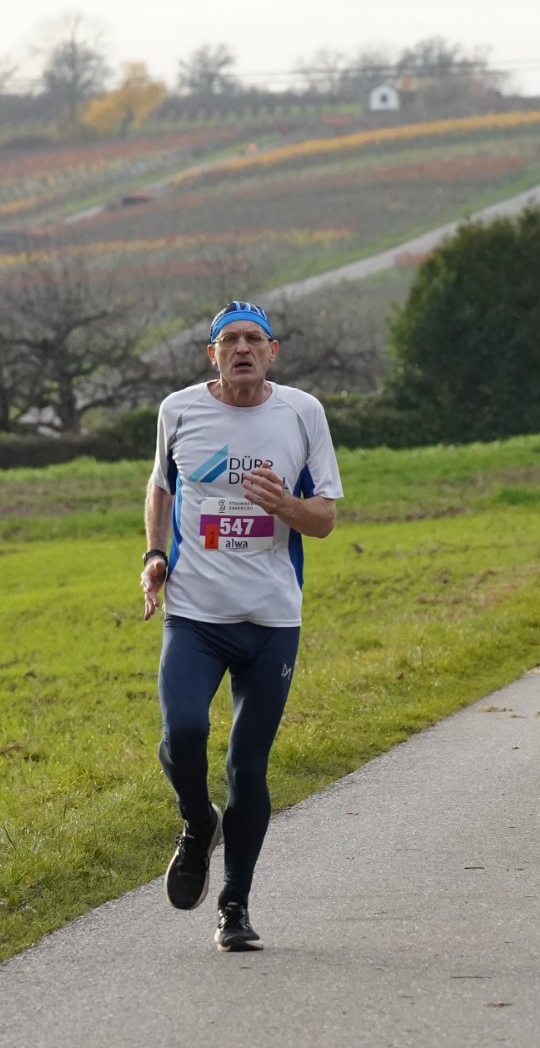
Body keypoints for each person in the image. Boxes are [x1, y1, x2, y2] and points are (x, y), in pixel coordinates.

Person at [141, 300, 343, 953]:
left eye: (254, 338)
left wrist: (285, 504)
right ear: (213, 353)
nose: (242, 348)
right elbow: (161, 486)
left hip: (271, 619)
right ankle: (197, 822)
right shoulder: (178, 410)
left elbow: (325, 518)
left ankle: (234, 906)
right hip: (195, 615)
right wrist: (154, 556)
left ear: (273, 350)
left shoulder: (302, 413)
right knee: (183, 732)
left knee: (246, 767)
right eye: (229, 340)